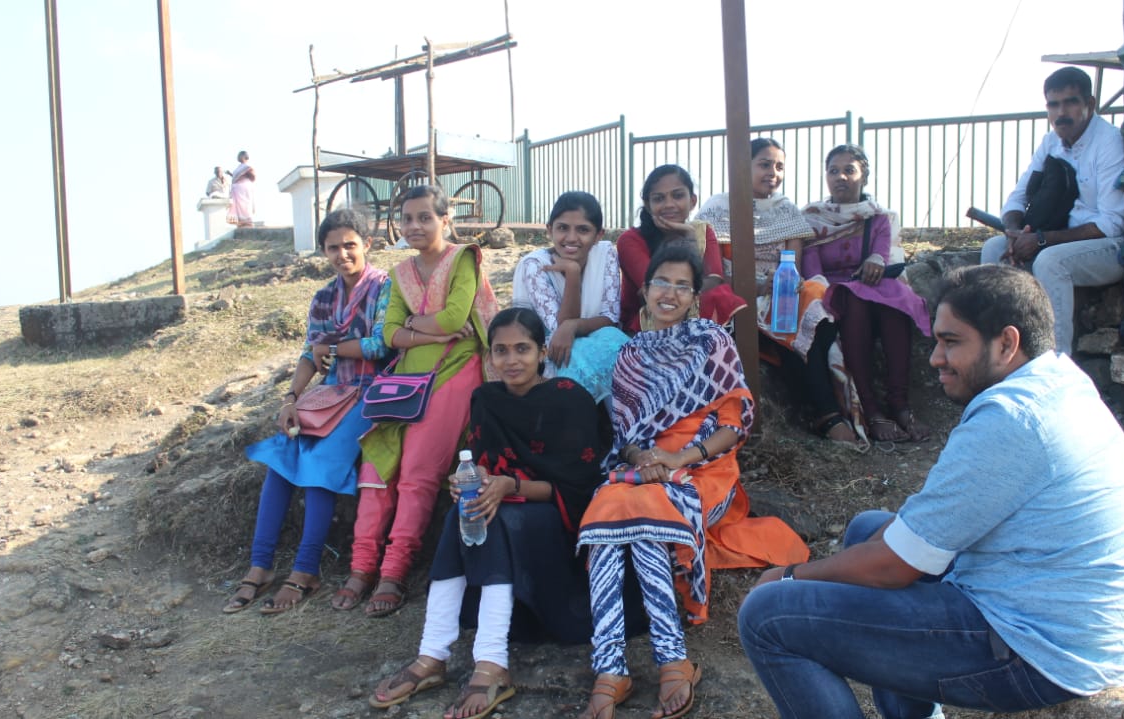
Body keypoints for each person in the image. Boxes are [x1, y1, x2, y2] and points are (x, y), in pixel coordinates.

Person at [739, 264, 1124, 719]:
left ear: (1007, 343)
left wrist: (789, 576)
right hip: (1071, 623)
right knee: (867, 530)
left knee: (767, 616)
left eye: (951, 342)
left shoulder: (1011, 419)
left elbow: (895, 567)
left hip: (1040, 651)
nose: (936, 358)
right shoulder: (1057, 382)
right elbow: (914, 538)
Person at [576, 245, 809, 719]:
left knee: (646, 514)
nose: (670, 293)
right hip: (646, 471)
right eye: (662, 282)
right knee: (608, 509)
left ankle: (662, 659)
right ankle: (618, 665)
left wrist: (677, 458)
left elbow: (734, 425)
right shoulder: (630, 354)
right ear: (645, 290)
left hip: (706, 471)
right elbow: (625, 437)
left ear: (694, 298)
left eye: (683, 286)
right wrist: (645, 457)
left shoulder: (711, 341)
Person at [368, 308, 607, 717]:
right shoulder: (486, 399)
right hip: (502, 508)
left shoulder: (569, 398)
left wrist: (510, 486)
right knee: (463, 513)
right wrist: (471, 481)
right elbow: (484, 465)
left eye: (522, 349)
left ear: (542, 352)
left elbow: (579, 489)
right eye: (501, 350)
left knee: (488, 519)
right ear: (490, 356)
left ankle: (491, 661)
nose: (511, 360)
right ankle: (433, 653)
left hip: (554, 520)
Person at [332, 185, 500, 617]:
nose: (414, 226)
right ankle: (361, 567)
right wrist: (435, 330)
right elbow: (389, 334)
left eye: (425, 217)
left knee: (416, 474)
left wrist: (416, 325)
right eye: (406, 218)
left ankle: (393, 572)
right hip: (405, 380)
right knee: (375, 470)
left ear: (445, 219)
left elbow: (455, 316)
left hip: (455, 371)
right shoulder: (400, 272)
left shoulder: (463, 258)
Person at [222, 209, 390, 615]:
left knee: (320, 464)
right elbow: (307, 355)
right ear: (323, 251)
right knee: (282, 457)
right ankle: (260, 565)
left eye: (350, 245)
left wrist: (329, 348)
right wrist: (291, 400)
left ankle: (305, 569)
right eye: (333, 248)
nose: (342, 254)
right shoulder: (323, 297)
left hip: (374, 393)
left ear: (367, 244)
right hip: (331, 393)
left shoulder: (385, 287)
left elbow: (381, 345)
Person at [698, 138, 864, 449]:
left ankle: (825, 413)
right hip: (734, 298)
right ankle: (826, 414)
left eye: (779, 166)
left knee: (815, 300)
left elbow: (793, 268)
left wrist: (778, 285)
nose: (772, 173)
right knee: (791, 327)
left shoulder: (786, 210)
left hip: (779, 295)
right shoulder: (717, 209)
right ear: (742, 167)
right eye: (764, 164)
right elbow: (713, 271)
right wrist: (753, 286)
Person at [980, 66, 1124, 354]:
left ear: (1090, 104)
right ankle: (998, 354)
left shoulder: (1108, 142)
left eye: (1070, 102)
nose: (1061, 113)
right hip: (1056, 239)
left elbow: (1111, 223)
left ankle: (1056, 362)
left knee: (1050, 261)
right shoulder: (1051, 143)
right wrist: (1013, 232)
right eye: (1053, 104)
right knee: (994, 248)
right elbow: (1016, 199)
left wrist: (1042, 239)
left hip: (1109, 247)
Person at [802, 144, 933, 443]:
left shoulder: (879, 218)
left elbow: (882, 255)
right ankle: (871, 410)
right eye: (833, 170)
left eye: (849, 170)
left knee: (896, 300)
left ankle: (900, 404)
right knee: (855, 300)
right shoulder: (812, 218)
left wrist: (876, 260)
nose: (840, 177)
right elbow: (813, 274)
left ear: (864, 176)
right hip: (832, 291)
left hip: (870, 285)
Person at [511, 191, 629, 401]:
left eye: (583, 230)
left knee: (616, 341)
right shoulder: (535, 265)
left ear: (598, 235)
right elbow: (559, 330)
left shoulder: (605, 254)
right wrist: (573, 274)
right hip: (550, 349)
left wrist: (573, 326)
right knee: (572, 355)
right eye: (563, 228)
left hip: (594, 338)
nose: (572, 238)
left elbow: (610, 317)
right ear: (550, 230)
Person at [617, 164, 746, 334]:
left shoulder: (702, 231)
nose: (669, 204)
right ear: (648, 205)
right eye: (659, 198)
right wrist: (689, 288)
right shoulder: (631, 240)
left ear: (692, 201)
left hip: (694, 309)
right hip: (644, 322)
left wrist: (690, 238)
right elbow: (657, 290)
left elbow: (714, 281)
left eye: (677, 196)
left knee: (719, 295)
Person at [229, 150, 256, 227]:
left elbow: (253, 177)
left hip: (244, 188)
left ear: (244, 156)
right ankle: (241, 222)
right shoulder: (238, 167)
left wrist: (244, 179)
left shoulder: (247, 167)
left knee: (245, 204)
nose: (238, 157)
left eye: (239, 155)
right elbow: (237, 176)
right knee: (238, 206)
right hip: (237, 189)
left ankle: (247, 221)